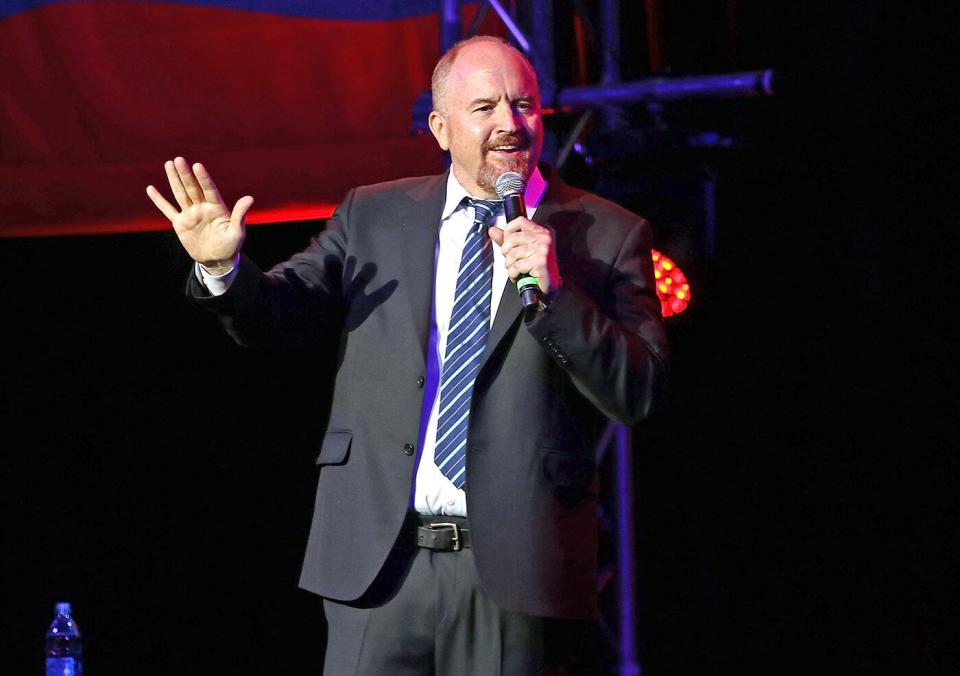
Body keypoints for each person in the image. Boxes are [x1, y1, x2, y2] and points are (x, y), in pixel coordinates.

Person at [147, 35, 668, 675]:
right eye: (485, 108)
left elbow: (638, 392)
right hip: (378, 565)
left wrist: (555, 294)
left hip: (514, 570)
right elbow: (280, 316)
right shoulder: (375, 215)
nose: (510, 124)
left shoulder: (608, 234)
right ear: (441, 129)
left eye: (524, 105)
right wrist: (224, 267)